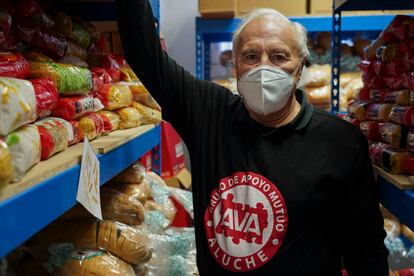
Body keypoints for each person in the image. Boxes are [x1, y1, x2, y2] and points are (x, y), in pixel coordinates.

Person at [116, 1, 389, 274]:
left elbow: (366, 249)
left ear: (301, 67)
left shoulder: (340, 141)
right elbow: (145, 55)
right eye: (250, 56)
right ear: (234, 66)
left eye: (279, 56)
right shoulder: (208, 113)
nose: (263, 68)